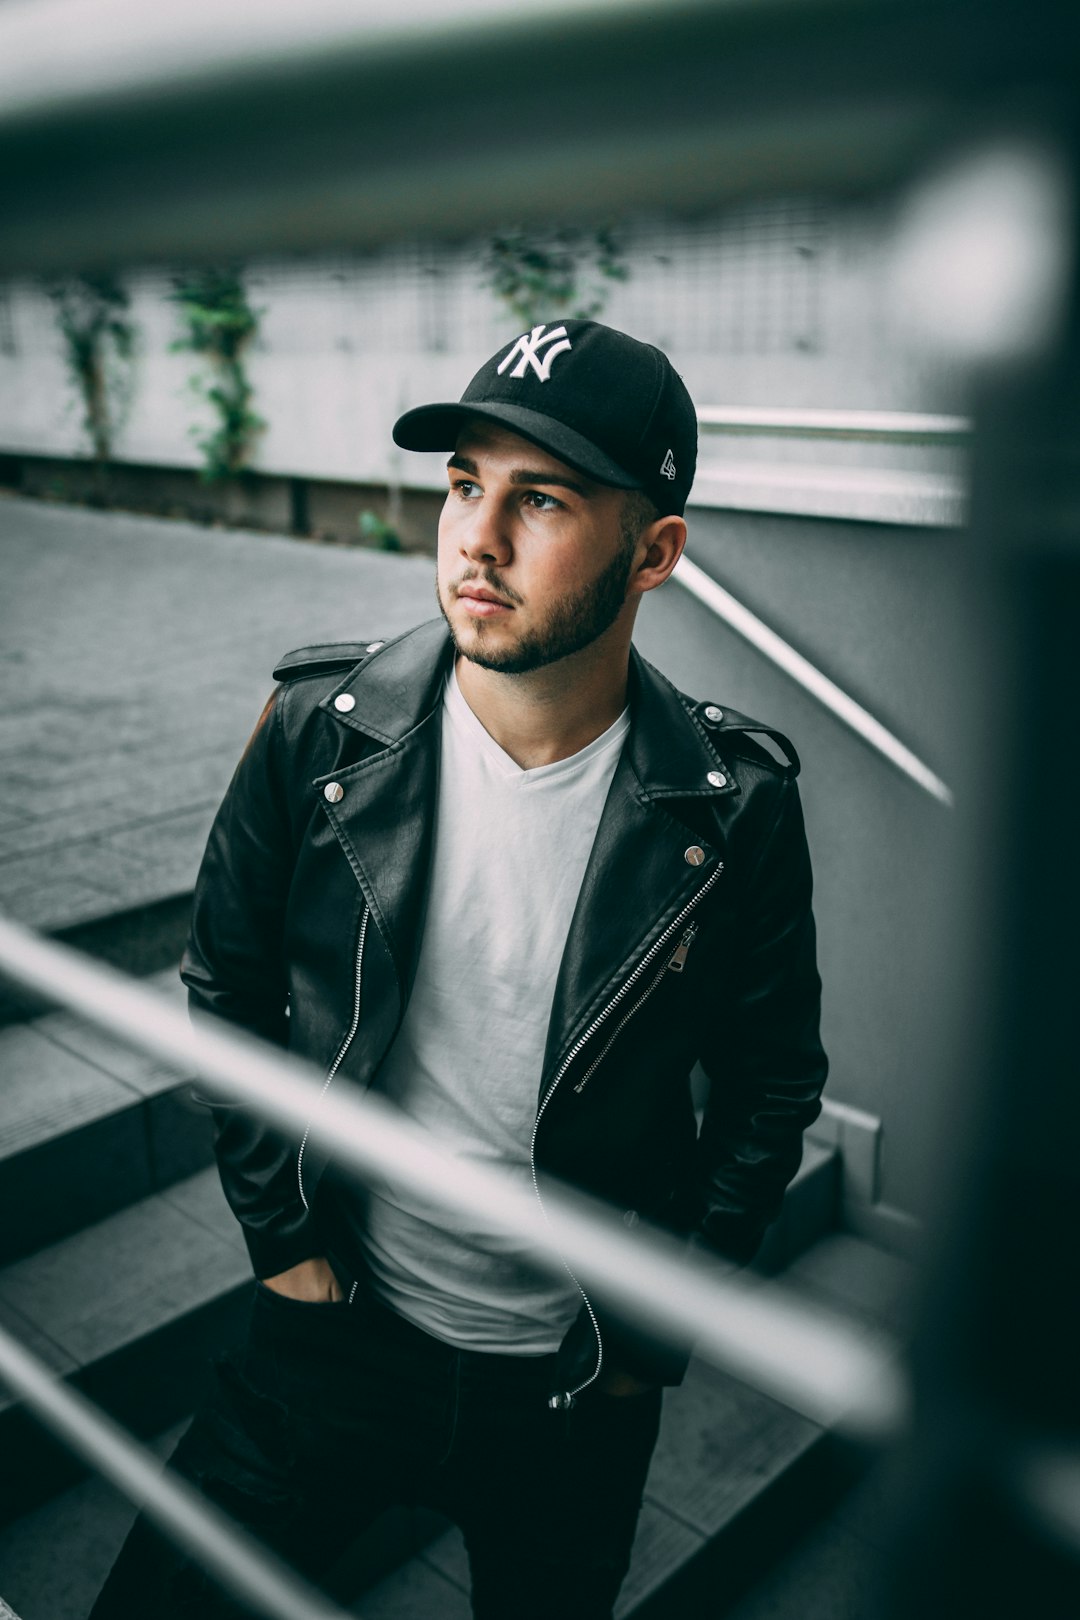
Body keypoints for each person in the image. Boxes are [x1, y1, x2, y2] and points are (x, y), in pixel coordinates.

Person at [89, 319, 827, 1619]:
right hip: (331, 1337)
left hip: (569, 1384)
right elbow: (226, 980)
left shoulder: (732, 810)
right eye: (464, 484)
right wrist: (285, 1244)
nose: (475, 540)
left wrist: (651, 1335)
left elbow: (770, 1085)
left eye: (540, 500)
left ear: (653, 552)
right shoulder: (324, 733)